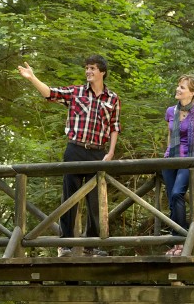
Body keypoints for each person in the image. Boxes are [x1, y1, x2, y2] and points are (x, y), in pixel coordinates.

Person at [18, 56, 120, 257]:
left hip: (97, 152)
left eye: (92, 68)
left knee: (95, 201)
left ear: (102, 72)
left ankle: (92, 246)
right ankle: (64, 244)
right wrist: (32, 78)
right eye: (87, 68)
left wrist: (110, 152)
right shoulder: (76, 92)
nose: (88, 71)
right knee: (70, 198)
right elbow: (50, 93)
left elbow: (115, 127)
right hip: (75, 149)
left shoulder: (112, 98)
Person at [162, 75, 194, 256]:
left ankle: (183, 241)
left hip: (189, 159)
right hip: (170, 159)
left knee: (177, 195)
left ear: (192, 92)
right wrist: (166, 156)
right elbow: (169, 137)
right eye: (178, 86)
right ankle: (176, 244)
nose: (178, 89)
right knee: (172, 202)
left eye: (182, 87)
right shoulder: (169, 111)